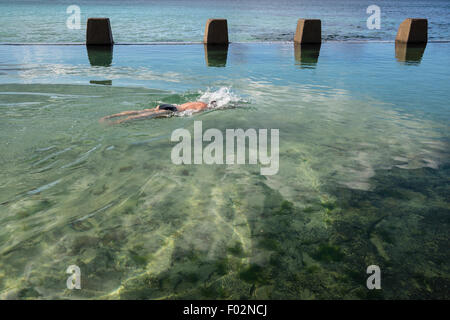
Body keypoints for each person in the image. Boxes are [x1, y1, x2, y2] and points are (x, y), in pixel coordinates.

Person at [100, 101, 216, 124]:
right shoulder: (203, 107)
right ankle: (118, 122)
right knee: (143, 116)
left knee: (139, 111)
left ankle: (111, 116)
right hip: (172, 110)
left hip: (169, 105)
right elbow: (191, 113)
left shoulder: (199, 101)